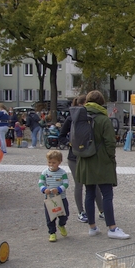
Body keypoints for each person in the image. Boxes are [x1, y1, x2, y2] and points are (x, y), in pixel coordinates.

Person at [76, 90, 130, 239]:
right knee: (107, 194)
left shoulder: (80, 116)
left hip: (85, 159)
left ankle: (92, 227)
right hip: (101, 160)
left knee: (89, 193)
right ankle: (112, 228)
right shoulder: (103, 119)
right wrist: (111, 158)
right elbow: (110, 142)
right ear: (101, 102)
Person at [59, 95, 103, 223]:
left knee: (94, 185)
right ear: (82, 104)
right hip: (74, 157)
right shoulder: (71, 118)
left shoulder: (91, 119)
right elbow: (61, 136)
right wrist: (71, 144)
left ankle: (102, 211)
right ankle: (81, 212)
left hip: (89, 156)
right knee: (79, 185)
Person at [40, 150, 70, 242]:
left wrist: (59, 189)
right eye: (49, 162)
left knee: (65, 215)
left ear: (59, 162)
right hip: (49, 199)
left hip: (61, 198)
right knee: (50, 217)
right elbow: (40, 183)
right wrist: (44, 189)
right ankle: (52, 233)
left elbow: (66, 183)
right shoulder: (45, 172)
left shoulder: (62, 173)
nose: (51, 164)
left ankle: (61, 225)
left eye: (54, 162)